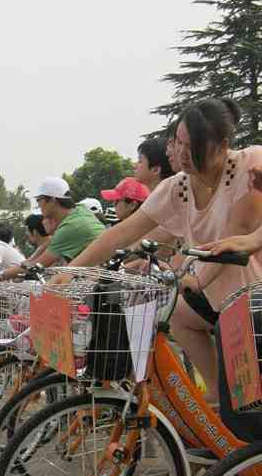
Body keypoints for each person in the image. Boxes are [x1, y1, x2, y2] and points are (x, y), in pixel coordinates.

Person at [57, 98, 262, 405]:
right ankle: (217, 397)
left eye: (193, 145)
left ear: (222, 146)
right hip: (219, 297)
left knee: (248, 400)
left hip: (253, 298)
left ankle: (233, 412)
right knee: (179, 315)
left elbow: (235, 234)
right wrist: (72, 270)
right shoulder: (178, 187)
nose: (182, 153)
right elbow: (122, 232)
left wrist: (198, 279)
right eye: (178, 142)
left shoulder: (250, 164)